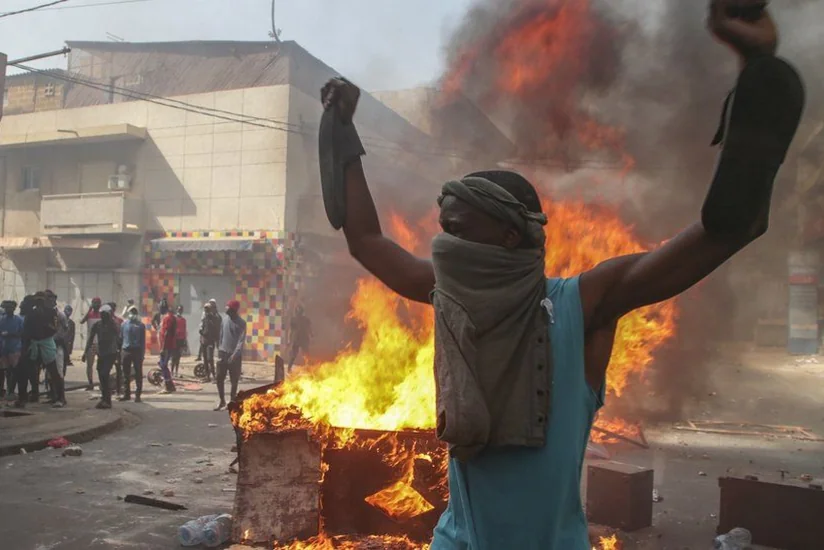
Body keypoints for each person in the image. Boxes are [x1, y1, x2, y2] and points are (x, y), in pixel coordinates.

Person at [318, 3, 804, 547]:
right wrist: (341, 134)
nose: (444, 243)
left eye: (459, 228)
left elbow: (725, 230)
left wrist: (757, 69)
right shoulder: (450, 299)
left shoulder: (583, 304)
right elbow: (367, 241)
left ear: (509, 236)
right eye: (443, 230)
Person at [17, 292, 65, 408]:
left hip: (46, 341)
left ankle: (60, 398)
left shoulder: (51, 312)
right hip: (32, 342)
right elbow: (26, 330)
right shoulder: (31, 313)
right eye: (37, 301)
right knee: (23, 370)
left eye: (41, 301)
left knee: (53, 371)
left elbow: (54, 329)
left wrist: (44, 327)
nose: (39, 303)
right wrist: (25, 346)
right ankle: (23, 398)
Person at [83, 305, 120, 409]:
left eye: (105, 314)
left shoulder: (113, 325)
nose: (103, 316)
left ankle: (107, 400)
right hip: (102, 353)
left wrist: (119, 353)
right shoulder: (97, 325)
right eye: (102, 314)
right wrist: (85, 352)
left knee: (104, 374)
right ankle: (105, 399)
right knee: (101, 374)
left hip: (111, 353)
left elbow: (119, 338)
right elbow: (90, 339)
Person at [214, 300, 245, 411]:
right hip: (223, 353)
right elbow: (221, 336)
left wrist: (234, 355)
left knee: (234, 380)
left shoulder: (241, 323)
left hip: (234, 356)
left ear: (233, 310)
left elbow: (241, 341)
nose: (226, 309)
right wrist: (219, 350)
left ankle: (232, 401)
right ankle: (222, 401)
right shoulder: (224, 320)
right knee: (219, 378)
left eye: (228, 308)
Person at [120, 305, 146, 402]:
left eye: (134, 312)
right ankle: (127, 394)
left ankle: (138, 395)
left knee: (138, 374)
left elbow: (142, 341)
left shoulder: (141, 325)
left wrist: (142, 354)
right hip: (126, 350)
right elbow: (121, 338)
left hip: (137, 351)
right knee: (126, 374)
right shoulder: (124, 324)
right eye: (131, 312)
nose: (133, 314)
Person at [0, 300, 23, 401]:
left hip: (15, 348)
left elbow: (22, 333)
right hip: (3, 349)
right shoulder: (2, 320)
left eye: (11, 307)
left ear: (14, 308)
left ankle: (12, 391)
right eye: (7, 307)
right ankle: (6, 391)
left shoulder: (18, 320)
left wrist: (10, 334)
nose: (9, 309)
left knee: (14, 371)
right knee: (5, 371)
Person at [80, 297, 102, 391]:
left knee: (101, 366)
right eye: (94, 303)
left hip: (100, 344)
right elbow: (82, 321)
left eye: (98, 303)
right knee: (89, 365)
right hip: (91, 343)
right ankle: (90, 383)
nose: (96, 305)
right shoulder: (89, 315)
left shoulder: (102, 315)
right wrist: (89, 309)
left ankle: (102, 383)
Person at [157, 302, 178, 394]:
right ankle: (170, 386)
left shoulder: (168, 318)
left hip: (166, 346)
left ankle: (168, 386)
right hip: (168, 345)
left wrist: (162, 348)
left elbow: (166, 333)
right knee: (162, 364)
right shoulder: (170, 317)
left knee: (163, 365)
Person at [287, 306, 313, 373]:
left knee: (306, 354)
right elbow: (291, 330)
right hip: (298, 339)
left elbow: (309, 328)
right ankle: (289, 368)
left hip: (302, 339)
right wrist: (289, 340)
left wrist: (311, 334)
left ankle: (309, 368)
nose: (299, 313)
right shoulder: (294, 320)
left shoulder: (305, 320)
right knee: (295, 354)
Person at [199, 301, 221, 381]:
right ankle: (207, 376)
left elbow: (216, 330)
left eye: (207, 309)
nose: (206, 311)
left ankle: (214, 376)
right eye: (205, 309)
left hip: (210, 341)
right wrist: (201, 334)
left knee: (209, 359)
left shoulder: (214, 318)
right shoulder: (204, 318)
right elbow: (202, 329)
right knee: (205, 359)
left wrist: (215, 339)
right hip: (204, 341)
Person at [108, 302, 124, 396]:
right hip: (111, 348)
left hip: (115, 348)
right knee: (113, 369)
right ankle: (115, 389)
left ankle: (117, 389)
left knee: (117, 369)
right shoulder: (118, 321)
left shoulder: (118, 321)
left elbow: (121, 335)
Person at [171, 305, 188, 377]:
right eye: (178, 309)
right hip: (175, 340)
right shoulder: (174, 319)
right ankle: (171, 371)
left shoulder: (183, 320)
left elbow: (184, 330)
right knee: (173, 357)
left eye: (181, 310)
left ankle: (176, 372)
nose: (179, 311)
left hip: (181, 340)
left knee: (178, 357)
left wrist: (185, 341)